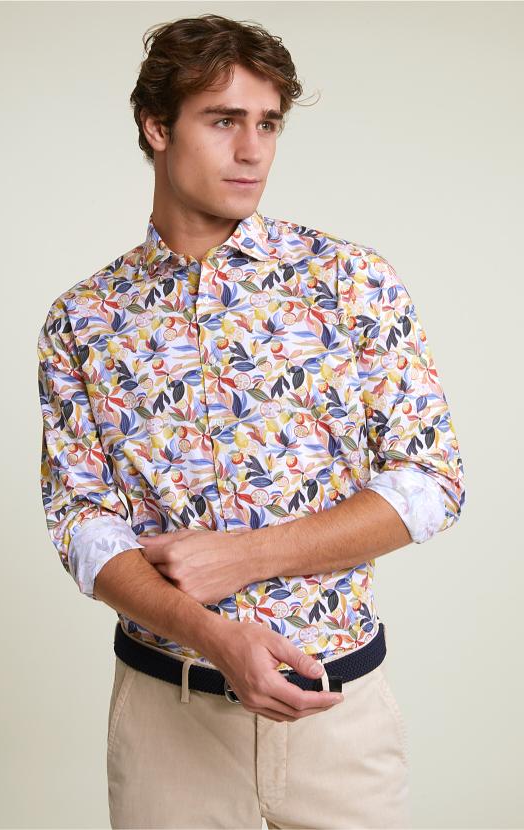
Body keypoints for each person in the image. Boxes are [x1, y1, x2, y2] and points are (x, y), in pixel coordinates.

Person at [36, 13, 465, 829]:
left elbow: (431, 484)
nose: (252, 149)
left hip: (339, 717)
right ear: (156, 126)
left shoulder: (351, 281)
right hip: (168, 724)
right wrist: (210, 635)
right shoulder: (83, 319)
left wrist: (246, 555)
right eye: (224, 120)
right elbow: (82, 526)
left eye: (268, 124)